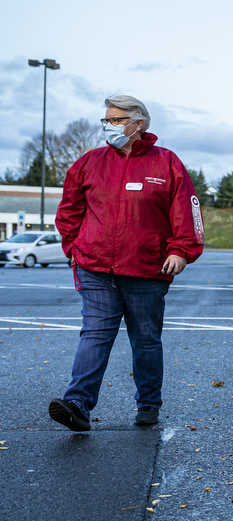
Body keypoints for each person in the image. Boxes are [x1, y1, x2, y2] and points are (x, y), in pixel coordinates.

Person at [49, 94, 204, 431]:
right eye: (108, 120)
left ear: (139, 123)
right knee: (94, 334)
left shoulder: (167, 163)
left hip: (147, 268)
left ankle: (149, 402)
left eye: (118, 120)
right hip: (95, 267)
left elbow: (186, 211)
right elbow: (69, 211)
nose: (111, 125)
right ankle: (77, 404)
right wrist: (74, 248)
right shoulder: (90, 162)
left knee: (146, 340)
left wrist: (181, 250)